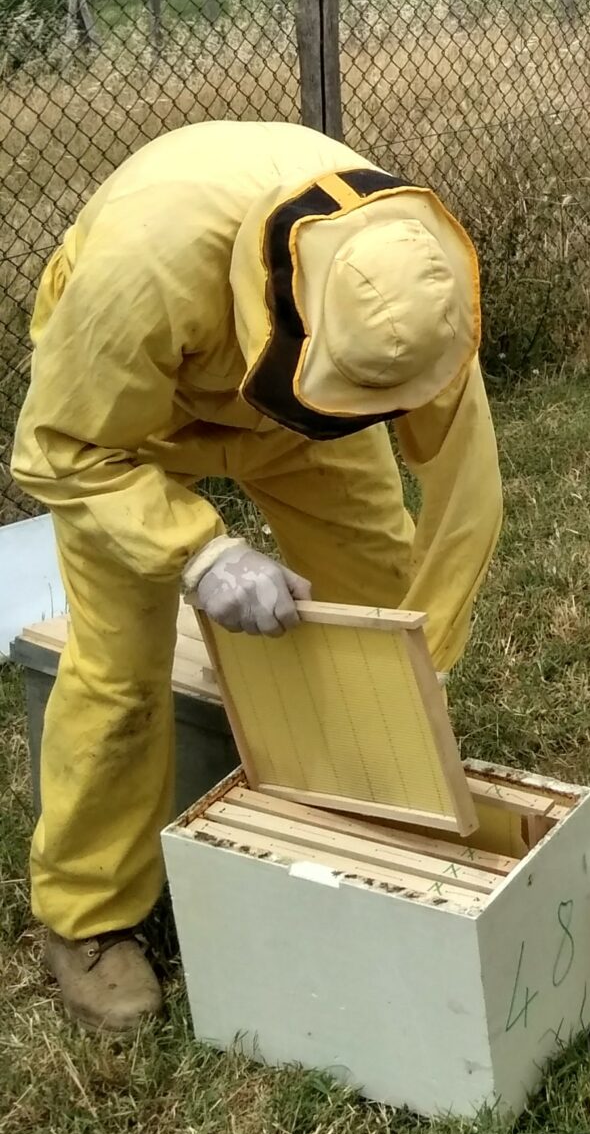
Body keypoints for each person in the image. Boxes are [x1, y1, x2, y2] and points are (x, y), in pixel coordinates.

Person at [12, 121, 503, 1034]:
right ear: (284, 315)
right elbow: (56, 450)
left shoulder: (416, 288)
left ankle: (373, 803)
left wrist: (421, 657)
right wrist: (201, 552)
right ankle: (85, 918)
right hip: (123, 429)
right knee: (119, 672)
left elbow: (466, 494)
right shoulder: (141, 271)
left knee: (377, 589)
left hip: (300, 415)